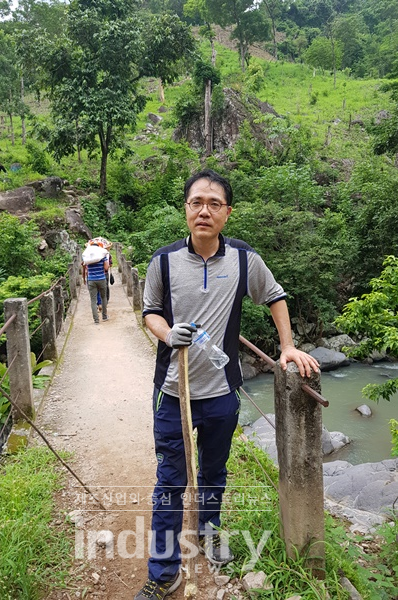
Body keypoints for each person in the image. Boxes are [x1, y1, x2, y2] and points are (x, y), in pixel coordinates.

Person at [136, 169, 320, 600]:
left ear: (227, 213)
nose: (204, 211)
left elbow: (274, 295)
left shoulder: (243, 260)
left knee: (215, 472)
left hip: (222, 392)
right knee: (169, 482)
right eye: (196, 202)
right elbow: (149, 312)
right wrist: (167, 333)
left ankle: (208, 532)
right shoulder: (162, 261)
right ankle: (163, 573)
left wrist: (288, 347)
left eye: (214, 204)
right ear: (185, 209)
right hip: (173, 393)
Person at [82, 246, 109, 324]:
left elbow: (84, 267)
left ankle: (96, 320)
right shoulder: (101, 256)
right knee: (103, 297)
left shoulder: (88, 257)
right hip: (101, 279)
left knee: (93, 300)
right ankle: (104, 316)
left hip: (91, 280)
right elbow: (106, 268)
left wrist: (84, 279)